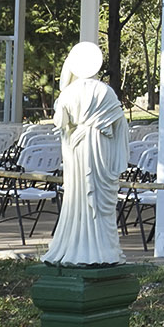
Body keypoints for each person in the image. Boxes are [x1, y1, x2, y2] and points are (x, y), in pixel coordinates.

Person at [42, 41, 129, 266]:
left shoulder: (70, 92)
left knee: (79, 196)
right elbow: (120, 123)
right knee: (100, 202)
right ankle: (105, 251)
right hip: (101, 149)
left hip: (79, 150)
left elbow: (61, 122)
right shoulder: (105, 91)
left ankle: (78, 247)